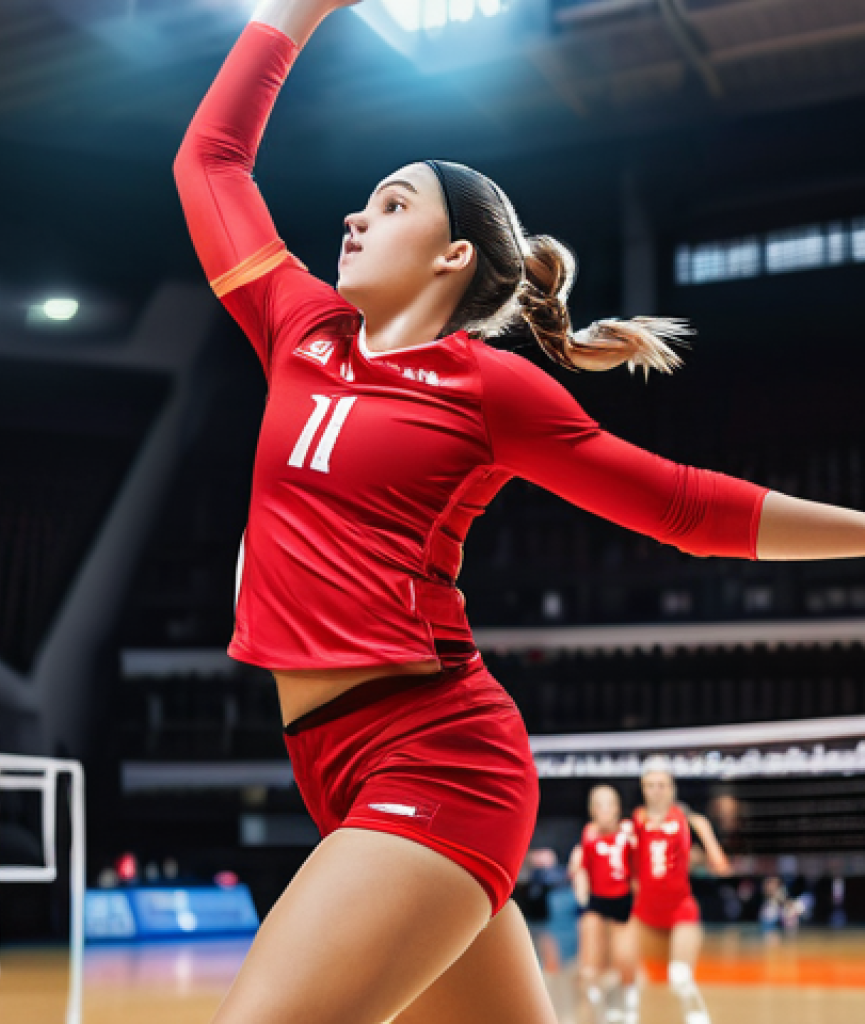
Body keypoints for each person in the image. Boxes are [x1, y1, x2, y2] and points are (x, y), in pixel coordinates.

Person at [174, 1, 865, 1019]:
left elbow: (683, 506)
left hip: (435, 756)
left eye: (392, 204)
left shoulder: (490, 388)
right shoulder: (297, 322)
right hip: (329, 760)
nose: (355, 219)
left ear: (453, 257)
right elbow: (211, 162)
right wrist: (295, 12)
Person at [631, 762, 728, 1024]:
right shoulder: (634, 822)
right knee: (642, 981)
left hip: (679, 908)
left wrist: (699, 855)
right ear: (643, 789)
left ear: (672, 788)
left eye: (662, 785)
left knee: (680, 976)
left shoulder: (690, 822)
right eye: (651, 785)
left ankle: (697, 1016)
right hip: (646, 912)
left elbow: (720, 864)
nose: (656, 791)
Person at [568, 786, 638, 1023]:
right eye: (599, 805)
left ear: (618, 809)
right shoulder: (588, 834)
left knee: (624, 957)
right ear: (592, 810)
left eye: (610, 805)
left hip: (623, 900)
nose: (605, 811)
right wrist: (579, 880)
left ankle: (628, 1004)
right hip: (597, 901)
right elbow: (581, 867)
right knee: (589, 962)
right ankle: (594, 1006)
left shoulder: (628, 832)